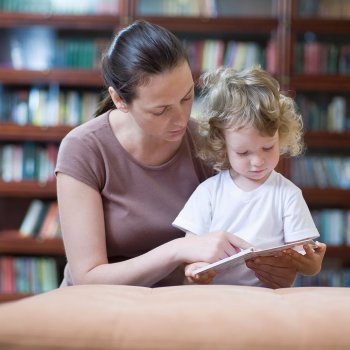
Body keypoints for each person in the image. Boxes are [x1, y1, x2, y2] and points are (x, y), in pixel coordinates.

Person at [55, 19, 299, 288]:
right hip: (101, 304)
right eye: (161, 110)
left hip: (183, 303)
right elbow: (86, 276)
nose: (181, 119)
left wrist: (275, 270)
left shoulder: (208, 141)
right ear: (119, 100)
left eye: (186, 97)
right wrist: (178, 250)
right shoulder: (83, 149)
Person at [172, 65, 327, 286]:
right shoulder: (208, 192)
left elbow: (308, 266)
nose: (258, 161)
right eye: (243, 152)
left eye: (267, 148)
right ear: (222, 145)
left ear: (280, 136)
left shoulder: (287, 195)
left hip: (268, 300)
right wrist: (195, 270)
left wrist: (312, 263)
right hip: (217, 299)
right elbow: (189, 253)